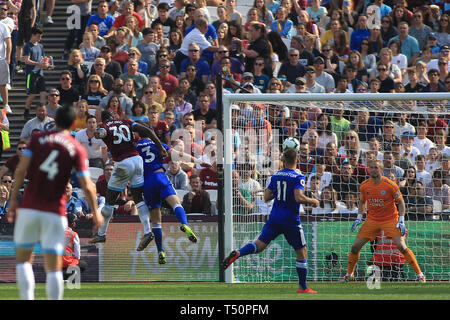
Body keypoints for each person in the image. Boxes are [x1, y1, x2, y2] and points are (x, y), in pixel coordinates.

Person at [6, 106, 104, 300]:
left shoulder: (36, 139)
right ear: (74, 124)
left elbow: (19, 171)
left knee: (24, 261)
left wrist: (13, 199)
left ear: (55, 121)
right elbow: (87, 185)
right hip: (55, 212)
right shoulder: (76, 147)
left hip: (29, 207)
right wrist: (96, 212)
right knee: (53, 267)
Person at [223, 148, 320, 293]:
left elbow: (267, 197)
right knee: (302, 252)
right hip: (290, 220)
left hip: (274, 217)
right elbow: (299, 197)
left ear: (283, 161)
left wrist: (281, 192)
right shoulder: (297, 176)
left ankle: (238, 253)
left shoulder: (275, 176)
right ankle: (303, 287)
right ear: (297, 161)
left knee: (259, 245)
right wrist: (313, 201)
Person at [89, 110, 166, 252]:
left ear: (103, 119)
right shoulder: (127, 122)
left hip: (122, 163)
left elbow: (101, 133)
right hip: (137, 161)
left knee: (109, 200)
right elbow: (147, 130)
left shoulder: (105, 126)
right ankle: (148, 232)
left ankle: (101, 234)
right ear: (114, 117)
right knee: (138, 198)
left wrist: (97, 132)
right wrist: (160, 147)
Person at [343, 158, 425, 282]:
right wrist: (359, 217)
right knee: (355, 247)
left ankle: (420, 275)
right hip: (372, 220)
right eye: (371, 167)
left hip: (390, 219)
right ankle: (349, 275)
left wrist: (401, 219)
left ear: (381, 169)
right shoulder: (365, 185)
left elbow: (401, 202)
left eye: (376, 167)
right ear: (368, 169)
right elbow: (362, 202)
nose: (374, 170)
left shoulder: (390, 184)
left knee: (402, 246)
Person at [135, 124, 211, 259]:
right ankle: (185, 225)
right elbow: (179, 155)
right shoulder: (158, 144)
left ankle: (161, 251)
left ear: (139, 134)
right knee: (176, 204)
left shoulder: (135, 147)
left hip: (147, 182)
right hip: (160, 177)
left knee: (156, 220)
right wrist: (199, 161)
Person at [62, 212, 87, 281]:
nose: (75, 223)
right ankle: (67, 277)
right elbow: (77, 253)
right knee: (83, 264)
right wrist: (76, 259)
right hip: (68, 262)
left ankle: (63, 277)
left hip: (56, 262)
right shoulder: (73, 234)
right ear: (72, 223)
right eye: (75, 221)